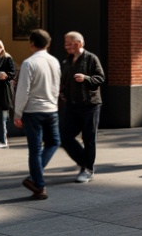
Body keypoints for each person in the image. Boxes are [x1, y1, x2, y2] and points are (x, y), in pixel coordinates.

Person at [13, 29, 62, 200]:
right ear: (48, 44)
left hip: (33, 111)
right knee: (54, 142)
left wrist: (17, 113)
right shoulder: (54, 61)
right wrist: (54, 104)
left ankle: (38, 184)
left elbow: (23, 91)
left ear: (31, 43)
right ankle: (36, 179)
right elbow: (57, 86)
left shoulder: (29, 63)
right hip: (51, 109)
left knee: (35, 150)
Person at [59, 31, 105, 184]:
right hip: (72, 105)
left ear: (78, 43)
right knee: (65, 136)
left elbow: (101, 78)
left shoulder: (91, 59)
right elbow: (64, 80)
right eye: (65, 43)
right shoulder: (67, 61)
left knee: (88, 138)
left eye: (69, 43)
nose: (66, 47)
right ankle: (83, 161)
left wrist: (86, 78)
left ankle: (88, 169)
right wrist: (62, 92)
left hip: (90, 105)